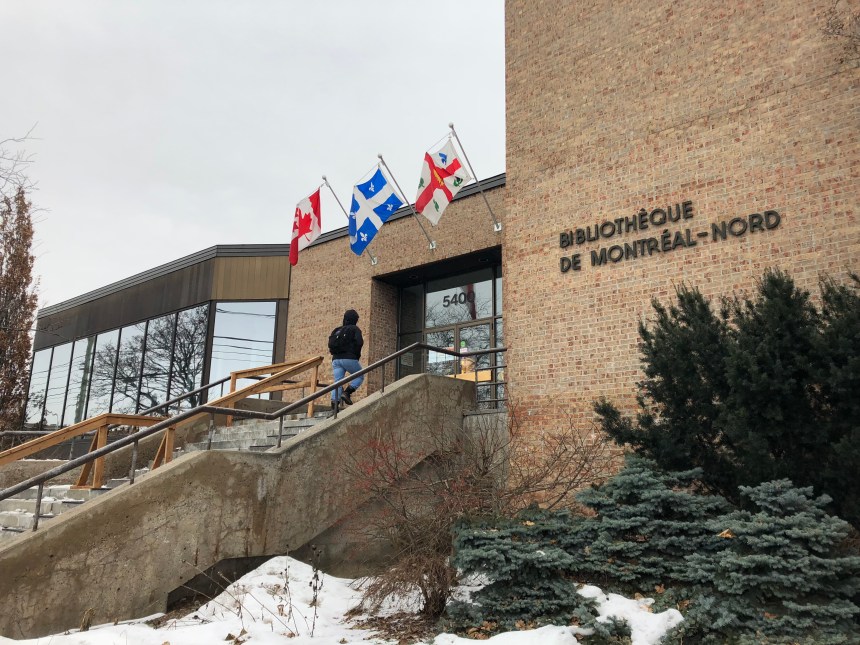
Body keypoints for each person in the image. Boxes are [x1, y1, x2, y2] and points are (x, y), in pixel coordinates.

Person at [328, 309, 364, 411]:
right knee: (360, 376)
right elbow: (359, 343)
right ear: (355, 320)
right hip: (349, 358)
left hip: (336, 360)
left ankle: (334, 406)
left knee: (338, 382)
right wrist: (356, 356)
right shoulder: (354, 329)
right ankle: (347, 393)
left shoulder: (336, 330)